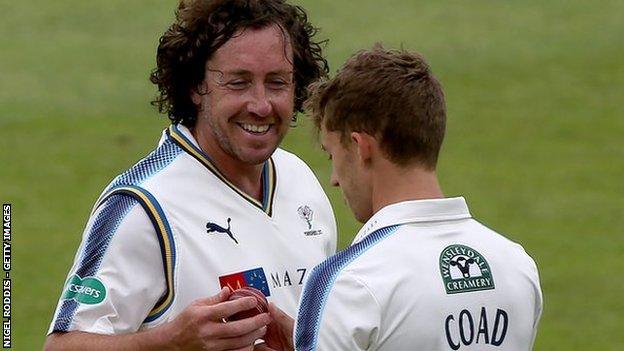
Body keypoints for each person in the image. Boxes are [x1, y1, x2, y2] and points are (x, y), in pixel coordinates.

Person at [45, 0, 337, 350]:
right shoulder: (143, 207)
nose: (261, 105)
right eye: (238, 82)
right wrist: (171, 342)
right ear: (197, 86)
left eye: (277, 83)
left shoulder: (299, 179)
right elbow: (60, 346)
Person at [262, 45, 543, 351]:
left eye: (333, 156)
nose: (334, 179)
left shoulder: (349, 282)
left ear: (359, 147)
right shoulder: (517, 266)